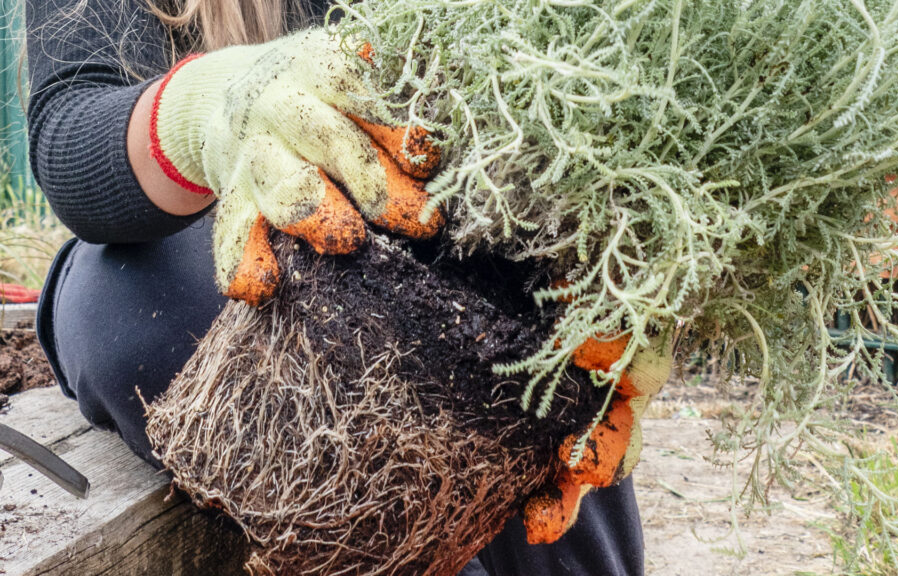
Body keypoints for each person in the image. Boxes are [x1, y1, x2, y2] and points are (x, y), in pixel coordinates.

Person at [26, 1, 646, 574]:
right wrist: (212, 108)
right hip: (209, 242)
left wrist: (635, 259)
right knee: (125, 307)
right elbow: (72, 129)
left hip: (446, 237)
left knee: (549, 404)